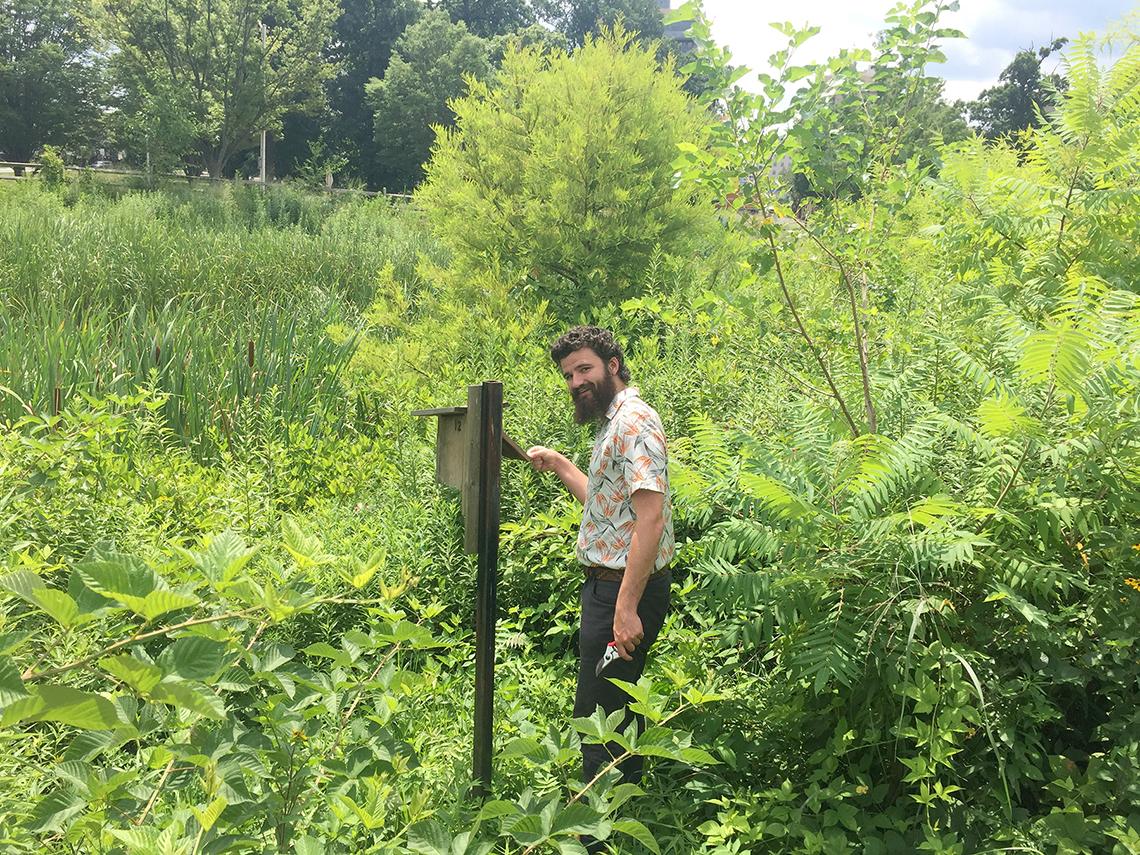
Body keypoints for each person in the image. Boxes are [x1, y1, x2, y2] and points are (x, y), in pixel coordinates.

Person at [526, 325, 675, 787]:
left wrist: (626, 608)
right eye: (569, 375)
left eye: (584, 369)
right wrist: (561, 464)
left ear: (612, 366)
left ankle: (596, 833)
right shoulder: (615, 421)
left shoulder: (634, 422)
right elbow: (612, 510)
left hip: (621, 593)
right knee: (616, 702)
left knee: (597, 714)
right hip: (610, 591)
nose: (576, 382)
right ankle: (625, 800)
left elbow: (650, 518)